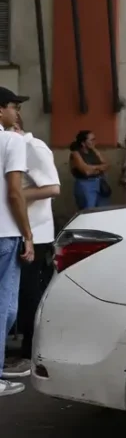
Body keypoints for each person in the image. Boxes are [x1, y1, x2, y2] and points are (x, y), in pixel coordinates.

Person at [3, 113, 59, 380]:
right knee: (19, 294)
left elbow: (53, 187)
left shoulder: (32, 147)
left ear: (14, 125)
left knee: (28, 294)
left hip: (35, 232)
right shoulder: (13, 145)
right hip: (19, 229)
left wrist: (14, 196)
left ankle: (30, 353)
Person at [0, 87, 34, 396]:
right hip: (5, 233)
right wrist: (28, 234)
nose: (17, 113)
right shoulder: (12, 141)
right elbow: (14, 192)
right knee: (5, 308)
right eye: (14, 106)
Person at [69, 130, 110, 209]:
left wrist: (92, 167)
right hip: (85, 184)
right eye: (91, 140)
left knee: (104, 208)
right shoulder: (76, 154)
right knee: (89, 209)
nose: (94, 142)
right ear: (83, 143)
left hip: (100, 182)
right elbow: (86, 171)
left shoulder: (94, 151)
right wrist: (99, 168)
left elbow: (107, 165)